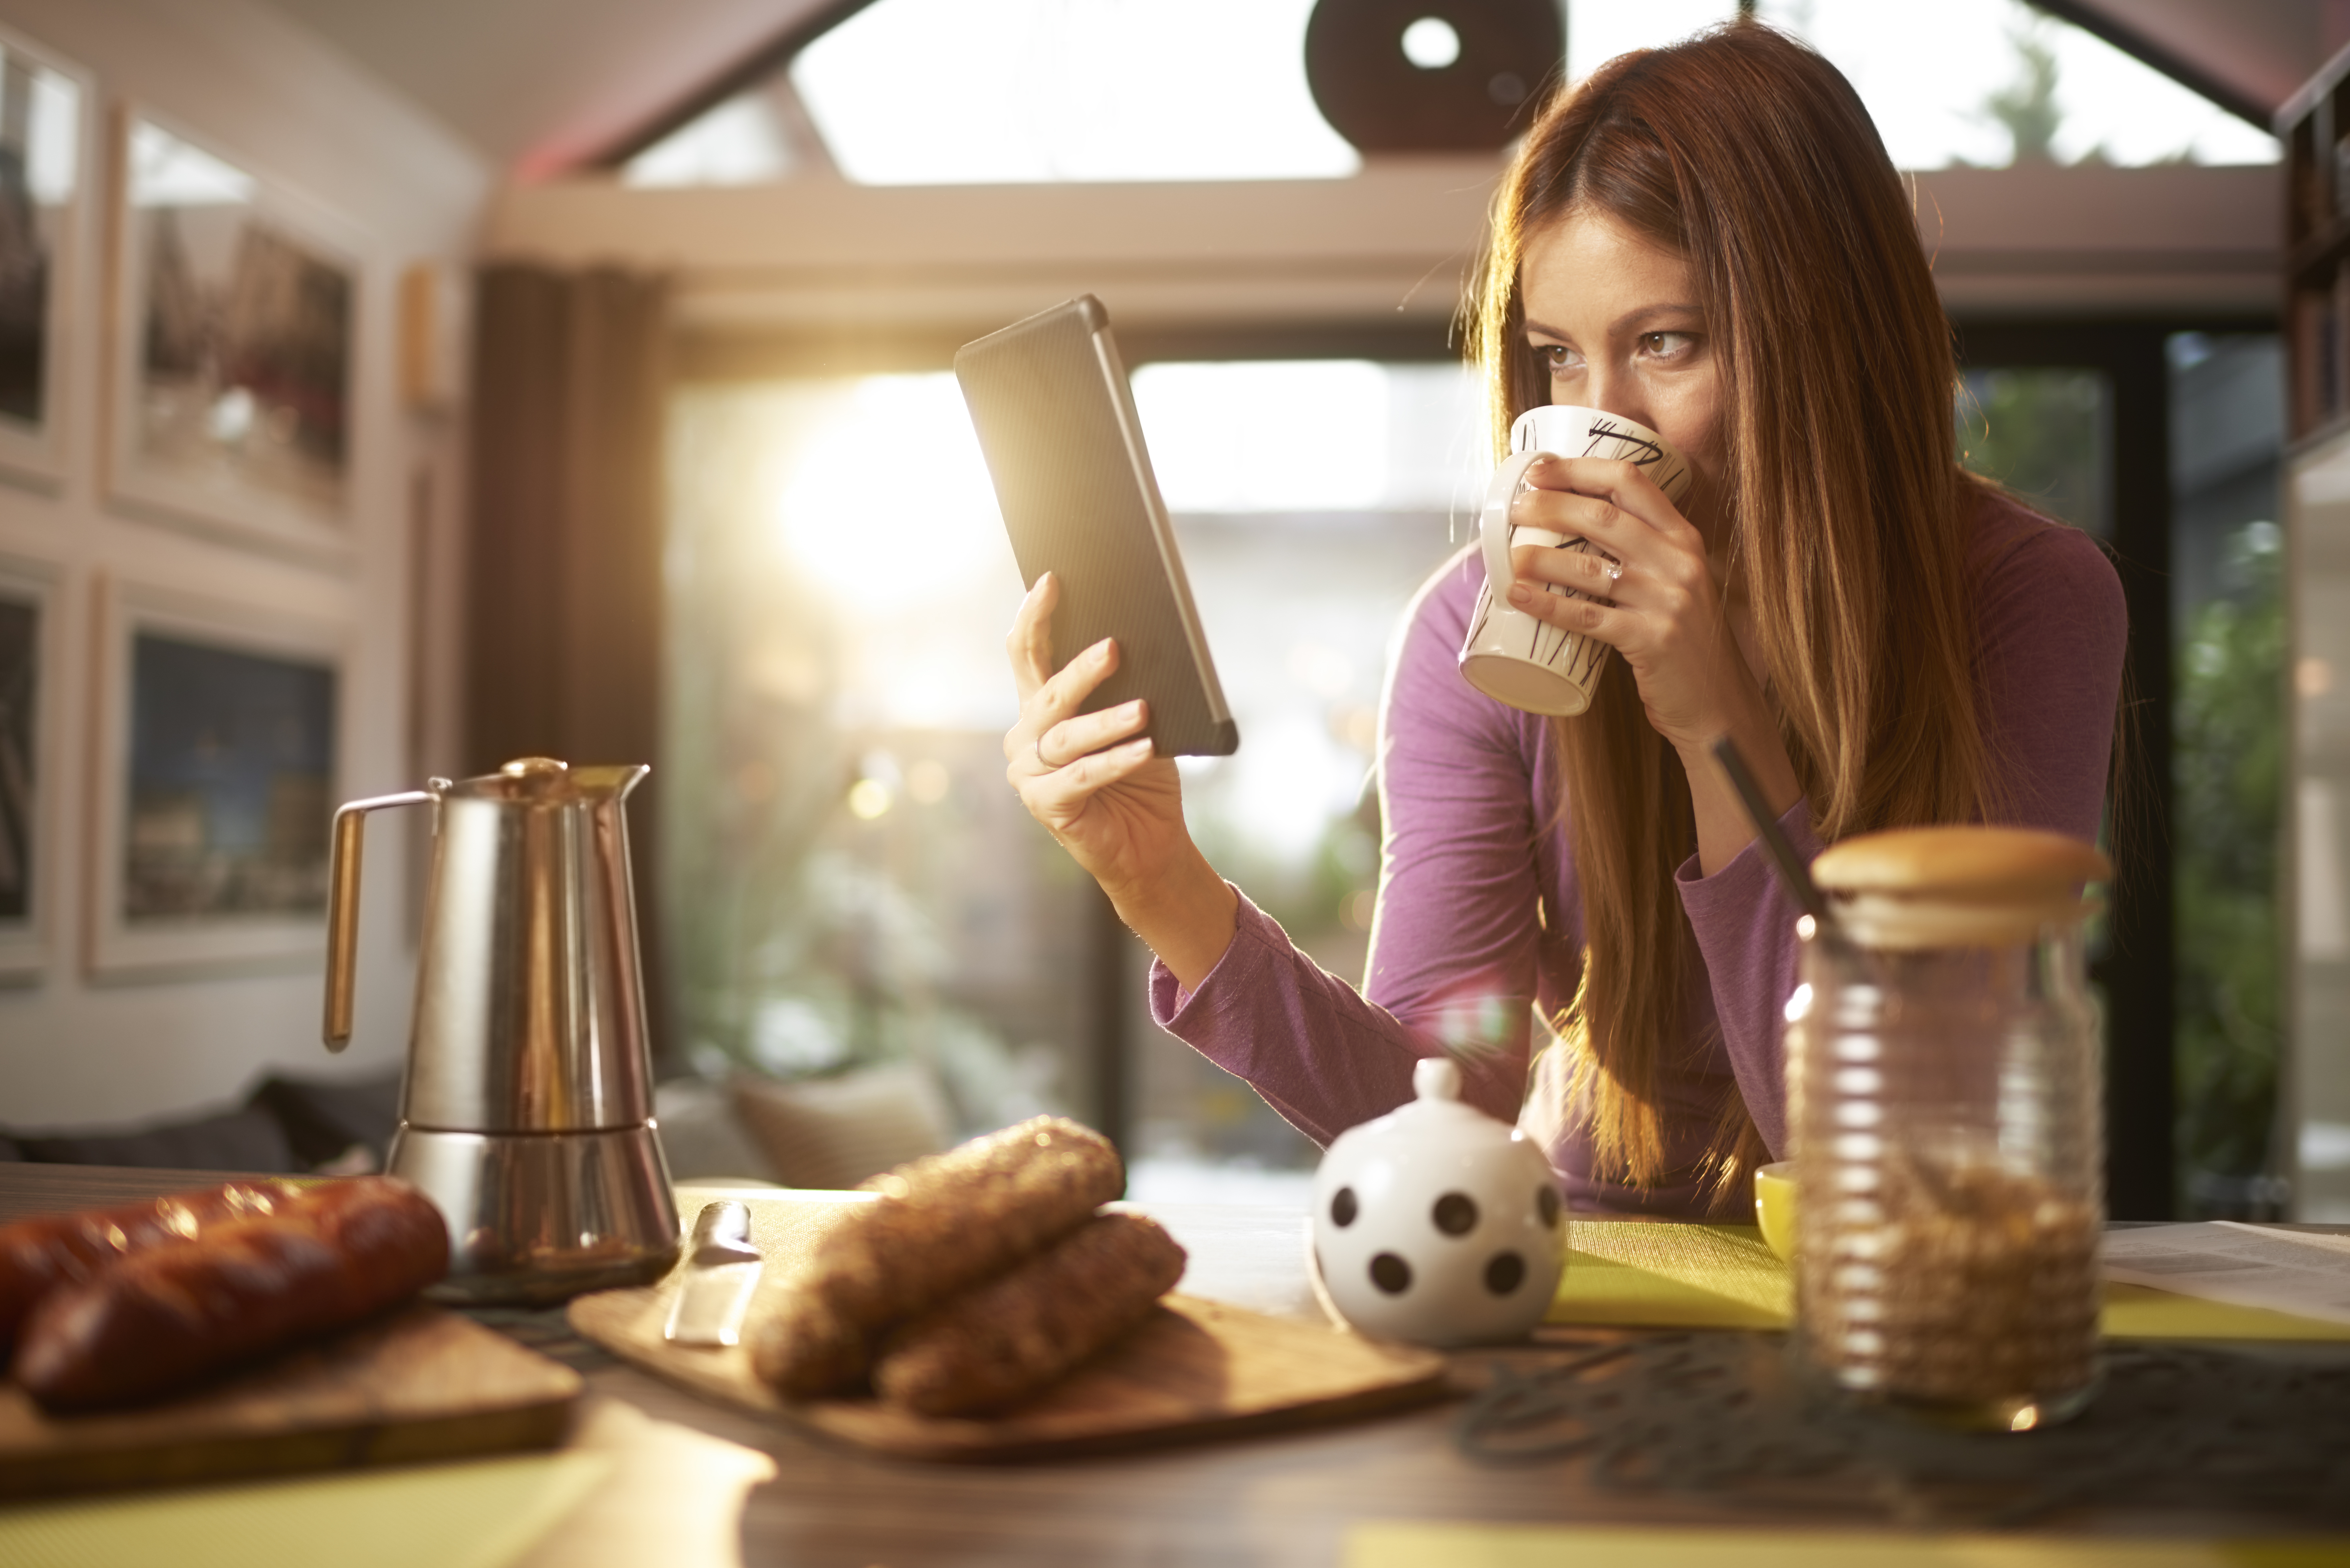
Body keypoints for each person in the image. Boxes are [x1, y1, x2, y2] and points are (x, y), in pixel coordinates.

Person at [999, 24, 2126, 1219]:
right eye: (1558, 360)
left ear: (1821, 330)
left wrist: (1717, 727)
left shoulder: (2025, 597)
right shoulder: (1465, 638)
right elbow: (1436, 1112)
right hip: (1591, 1272)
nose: (1601, 421)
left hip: (1904, 1277)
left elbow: (1903, 1151)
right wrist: (1163, 883)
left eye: (1665, 342)